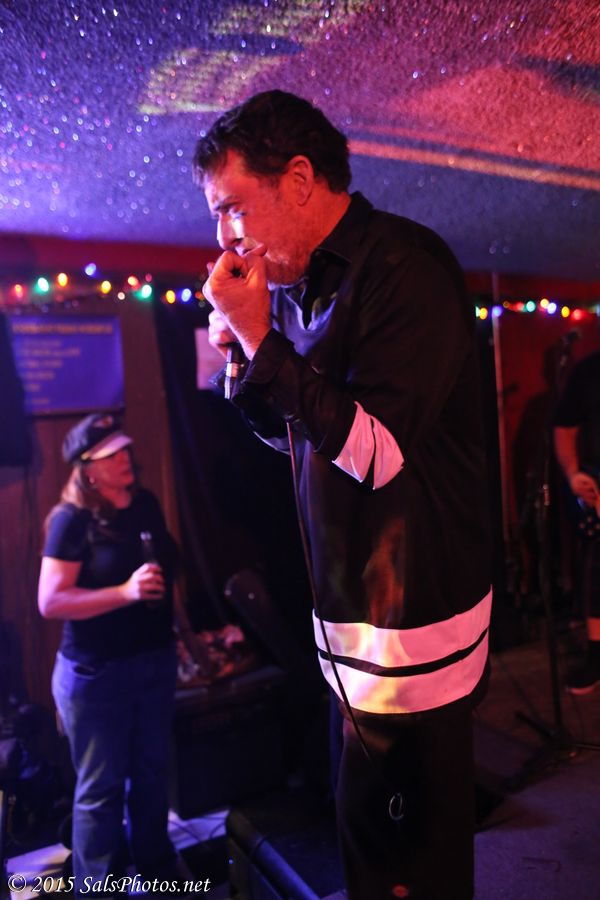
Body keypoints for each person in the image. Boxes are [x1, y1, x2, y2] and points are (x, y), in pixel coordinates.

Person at [193, 90, 492, 900]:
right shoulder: (296, 289)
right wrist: (245, 358)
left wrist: (261, 340)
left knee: (413, 868)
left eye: (232, 207)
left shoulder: (406, 267)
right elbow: (300, 438)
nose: (225, 237)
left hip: (415, 633)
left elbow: (377, 454)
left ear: (298, 179)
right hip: (349, 629)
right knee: (365, 848)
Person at [38, 413, 181, 896]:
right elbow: (50, 601)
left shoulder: (145, 504)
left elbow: (165, 575)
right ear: (88, 470)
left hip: (153, 663)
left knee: (152, 777)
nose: (125, 458)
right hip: (97, 675)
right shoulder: (71, 520)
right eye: (110, 454)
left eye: (125, 449)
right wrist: (124, 593)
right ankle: (98, 888)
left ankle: (159, 876)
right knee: (101, 792)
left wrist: (184, 637)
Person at [554, 350, 600, 694]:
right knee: (597, 573)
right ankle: (597, 657)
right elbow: (565, 427)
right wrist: (572, 473)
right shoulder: (589, 370)